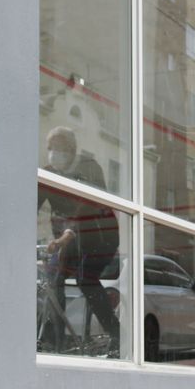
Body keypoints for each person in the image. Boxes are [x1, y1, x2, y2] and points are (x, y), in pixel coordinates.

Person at [38, 126, 121, 356]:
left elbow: (87, 208)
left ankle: (118, 335)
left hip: (100, 235)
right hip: (68, 238)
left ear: (72, 149)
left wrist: (65, 236)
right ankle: (55, 342)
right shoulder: (48, 173)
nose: (53, 153)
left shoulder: (89, 168)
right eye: (49, 148)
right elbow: (32, 205)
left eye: (59, 148)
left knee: (86, 278)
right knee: (53, 278)